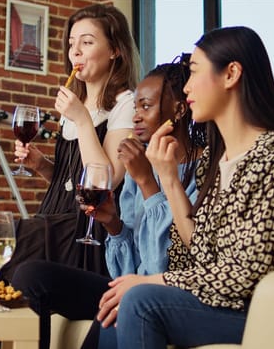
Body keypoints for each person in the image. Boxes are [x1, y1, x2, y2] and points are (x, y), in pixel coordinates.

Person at [96, 26, 274, 349]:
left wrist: (152, 281)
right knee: (116, 311)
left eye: (194, 72)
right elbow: (191, 255)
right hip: (221, 299)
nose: (188, 87)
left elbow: (247, 273)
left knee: (140, 300)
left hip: (265, 307)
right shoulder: (214, 162)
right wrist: (168, 180)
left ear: (231, 74)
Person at [12, 55, 206, 349]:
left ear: (179, 109)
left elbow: (163, 264)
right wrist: (113, 224)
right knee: (29, 275)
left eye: (146, 106)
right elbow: (125, 271)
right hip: (128, 285)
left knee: (119, 313)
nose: (136, 116)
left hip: (164, 291)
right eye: (135, 106)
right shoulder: (139, 162)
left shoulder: (202, 170)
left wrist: (146, 183)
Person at [0, 3, 141, 286]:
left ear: (115, 50)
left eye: (87, 42)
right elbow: (69, 179)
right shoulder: (76, 105)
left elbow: (107, 181)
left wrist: (83, 120)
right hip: (55, 215)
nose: (75, 51)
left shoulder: (126, 103)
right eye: (72, 43)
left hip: (87, 226)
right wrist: (42, 166)